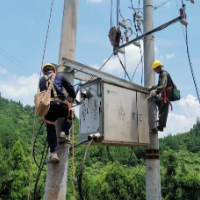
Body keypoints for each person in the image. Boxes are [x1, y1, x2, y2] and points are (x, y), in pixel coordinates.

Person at [39, 63, 76, 163]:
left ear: (44, 71)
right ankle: (63, 133)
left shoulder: (41, 80)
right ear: (54, 70)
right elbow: (70, 89)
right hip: (61, 105)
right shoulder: (60, 76)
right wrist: (73, 97)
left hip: (49, 107)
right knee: (71, 114)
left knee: (50, 125)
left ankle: (54, 154)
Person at [148, 60, 173, 132]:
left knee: (163, 109)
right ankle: (160, 125)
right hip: (164, 93)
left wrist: (155, 91)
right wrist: (152, 88)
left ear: (158, 67)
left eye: (155, 69)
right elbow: (159, 85)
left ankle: (160, 127)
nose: (154, 71)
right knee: (160, 104)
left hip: (167, 94)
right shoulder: (161, 75)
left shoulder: (164, 74)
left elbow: (163, 85)